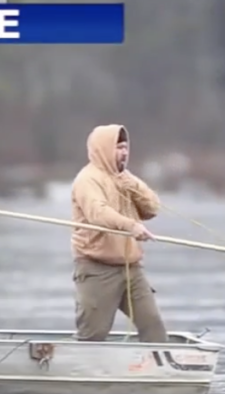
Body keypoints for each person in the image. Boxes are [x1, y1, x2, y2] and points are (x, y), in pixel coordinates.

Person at [69, 124, 168, 343]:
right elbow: (98, 213)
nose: (124, 152)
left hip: (131, 268)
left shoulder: (125, 178)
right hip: (97, 268)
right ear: (103, 149)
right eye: (118, 147)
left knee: (153, 325)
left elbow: (152, 208)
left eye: (125, 147)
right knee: (93, 334)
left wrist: (132, 185)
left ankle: (159, 361)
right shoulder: (87, 180)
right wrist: (131, 226)